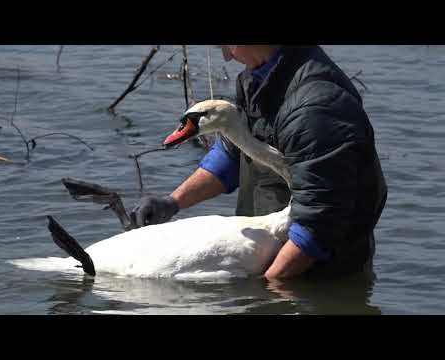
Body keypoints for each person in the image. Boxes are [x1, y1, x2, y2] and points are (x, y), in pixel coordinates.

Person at [130, 45, 387, 280]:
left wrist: (265, 292)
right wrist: (172, 202)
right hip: (272, 255)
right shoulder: (259, 77)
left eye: (228, 45)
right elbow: (232, 154)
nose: (226, 55)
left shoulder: (315, 108)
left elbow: (319, 226)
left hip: (314, 274)